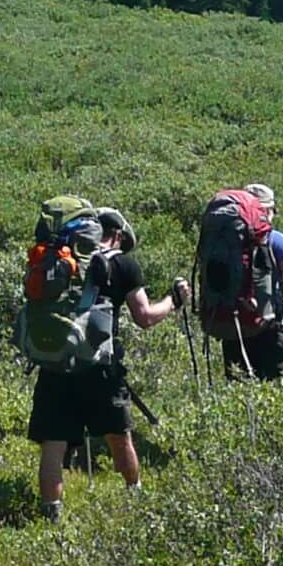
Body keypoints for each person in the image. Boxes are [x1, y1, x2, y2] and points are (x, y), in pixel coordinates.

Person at [26, 203, 189, 522]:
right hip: (101, 367)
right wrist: (174, 301)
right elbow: (144, 317)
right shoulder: (124, 266)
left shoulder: (60, 260)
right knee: (119, 435)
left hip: (55, 362)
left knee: (53, 443)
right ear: (116, 235)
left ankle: (51, 515)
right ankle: (136, 499)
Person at [200, 183, 283, 380]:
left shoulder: (224, 239)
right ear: (265, 210)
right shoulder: (275, 239)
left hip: (232, 325)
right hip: (268, 327)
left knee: (240, 392)